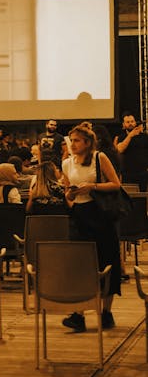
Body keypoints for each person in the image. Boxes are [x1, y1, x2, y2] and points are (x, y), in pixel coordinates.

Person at [61, 122, 122, 331]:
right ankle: (79, 314)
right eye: (72, 141)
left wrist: (91, 186)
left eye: (77, 141)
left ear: (87, 143)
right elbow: (67, 191)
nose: (73, 144)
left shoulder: (99, 157)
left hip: (100, 214)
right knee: (80, 264)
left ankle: (106, 312)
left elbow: (116, 184)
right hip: (79, 215)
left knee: (107, 260)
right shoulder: (67, 163)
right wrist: (70, 195)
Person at [113, 111, 148, 191]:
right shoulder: (121, 137)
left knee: (143, 198)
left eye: (132, 121)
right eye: (128, 122)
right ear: (123, 124)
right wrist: (130, 136)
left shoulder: (144, 137)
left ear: (135, 122)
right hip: (127, 174)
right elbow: (120, 149)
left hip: (143, 173)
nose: (130, 124)